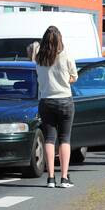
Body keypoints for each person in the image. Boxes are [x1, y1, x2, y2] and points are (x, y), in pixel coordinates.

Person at [35, 26, 78, 188]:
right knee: (65, 139)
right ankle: (64, 177)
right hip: (64, 100)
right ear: (60, 39)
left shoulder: (39, 58)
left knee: (49, 139)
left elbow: (40, 79)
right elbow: (74, 77)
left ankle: (51, 178)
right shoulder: (66, 55)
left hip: (46, 101)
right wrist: (64, 80)